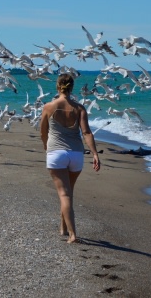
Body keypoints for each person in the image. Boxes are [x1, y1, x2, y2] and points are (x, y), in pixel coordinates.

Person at [40, 73, 100, 243]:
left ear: (57, 87)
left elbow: (43, 131)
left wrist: (46, 146)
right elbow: (87, 133)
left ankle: (73, 234)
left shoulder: (49, 107)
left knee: (64, 194)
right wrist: (95, 153)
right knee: (68, 192)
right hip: (76, 154)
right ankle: (63, 227)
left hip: (56, 153)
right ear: (72, 88)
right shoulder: (79, 108)